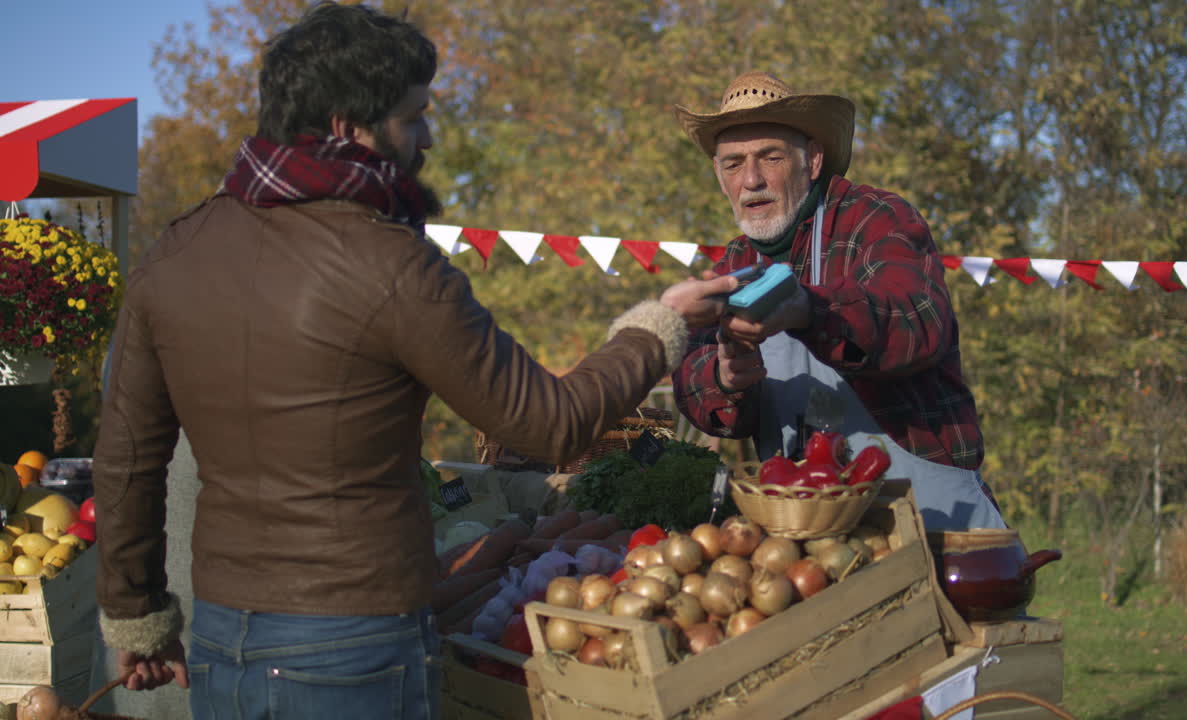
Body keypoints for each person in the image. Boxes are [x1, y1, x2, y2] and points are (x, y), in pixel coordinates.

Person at [92, 4, 738, 718]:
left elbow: (125, 459)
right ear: (349, 126)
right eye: (413, 115)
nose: (427, 138)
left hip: (221, 632)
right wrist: (659, 325)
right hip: (353, 647)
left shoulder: (174, 254)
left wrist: (136, 616)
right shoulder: (389, 261)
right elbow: (551, 425)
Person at [671, 71, 1004, 532]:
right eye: (733, 164)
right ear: (718, 175)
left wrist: (811, 310)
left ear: (811, 161)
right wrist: (723, 378)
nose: (751, 179)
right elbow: (692, 378)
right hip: (804, 521)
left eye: (770, 157)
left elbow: (917, 321)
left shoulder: (876, 219)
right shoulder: (734, 261)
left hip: (926, 516)